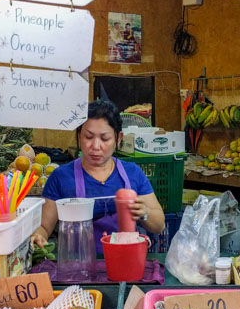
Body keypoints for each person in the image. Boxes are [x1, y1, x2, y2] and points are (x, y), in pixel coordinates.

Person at [31, 100, 165, 253]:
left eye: (105, 138)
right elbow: (43, 228)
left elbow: (159, 225)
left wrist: (144, 212)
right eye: (88, 137)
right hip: (79, 267)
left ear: (118, 138)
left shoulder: (132, 173)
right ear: (79, 135)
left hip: (126, 263)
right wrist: (38, 236)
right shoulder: (61, 177)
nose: (95, 146)